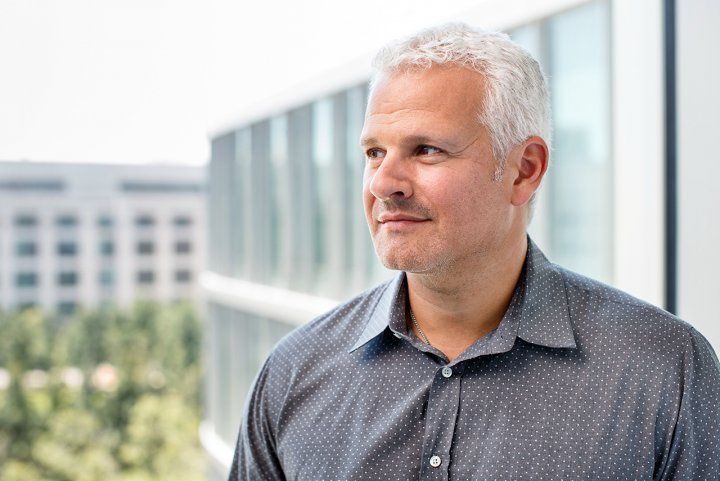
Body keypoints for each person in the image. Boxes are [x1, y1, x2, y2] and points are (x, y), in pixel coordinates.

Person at [229, 23, 720, 480]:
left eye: (427, 150)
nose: (383, 183)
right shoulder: (294, 371)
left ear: (525, 170)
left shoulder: (664, 371)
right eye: (375, 152)